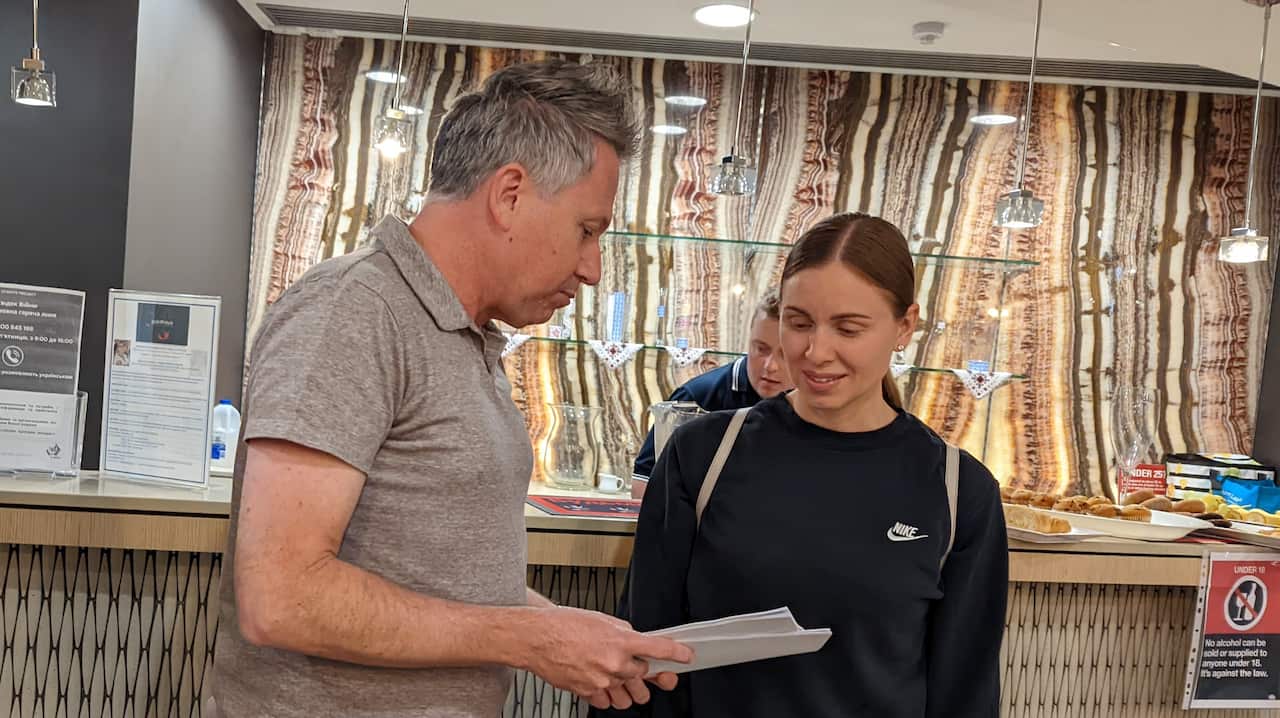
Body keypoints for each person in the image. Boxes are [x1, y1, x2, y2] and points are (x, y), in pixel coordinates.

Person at [210, 60, 691, 718]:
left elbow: (430, 575)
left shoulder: (463, 334)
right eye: (587, 229)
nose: (591, 267)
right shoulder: (352, 312)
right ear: (510, 194)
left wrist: (571, 636)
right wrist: (528, 639)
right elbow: (282, 597)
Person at [621, 212, 1008, 717]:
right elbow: (642, 658)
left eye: (848, 328)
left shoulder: (960, 490)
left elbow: (965, 693)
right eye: (798, 323)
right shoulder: (703, 455)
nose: (815, 351)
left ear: (905, 326)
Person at [631, 292, 792, 498]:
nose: (770, 366)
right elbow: (643, 484)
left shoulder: (813, 406)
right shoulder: (696, 397)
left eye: (785, 354)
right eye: (761, 349)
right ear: (748, 340)